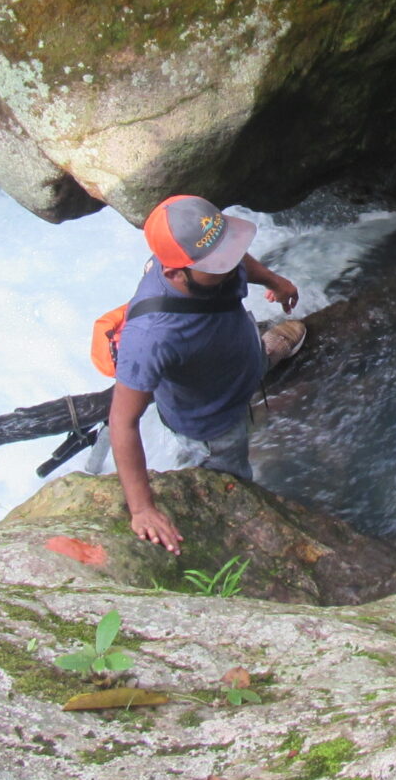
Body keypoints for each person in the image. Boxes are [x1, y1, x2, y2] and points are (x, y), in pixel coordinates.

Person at [104, 194, 306, 554]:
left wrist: (275, 281)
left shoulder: (209, 260)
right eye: (217, 264)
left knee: (254, 355)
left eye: (227, 253)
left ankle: (265, 356)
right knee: (232, 474)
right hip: (212, 421)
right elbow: (122, 421)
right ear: (173, 273)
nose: (229, 267)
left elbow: (237, 260)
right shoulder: (152, 336)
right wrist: (142, 508)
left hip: (241, 356)